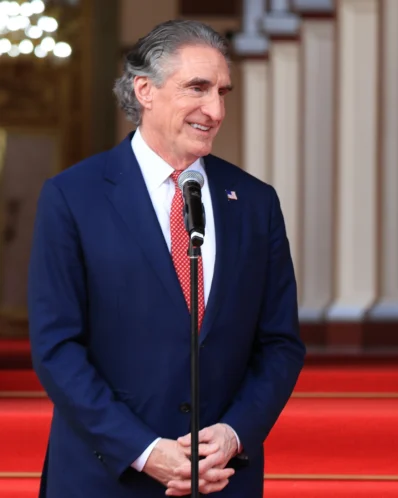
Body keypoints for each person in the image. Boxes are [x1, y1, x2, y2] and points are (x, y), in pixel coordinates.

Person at [27, 20, 305, 497]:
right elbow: (57, 347)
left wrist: (236, 431)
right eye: (197, 88)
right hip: (106, 474)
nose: (215, 109)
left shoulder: (256, 202)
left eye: (222, 92)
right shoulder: (73, 196)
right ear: (144, 90)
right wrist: (143, 448)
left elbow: (280, 343)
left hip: (222, 477)